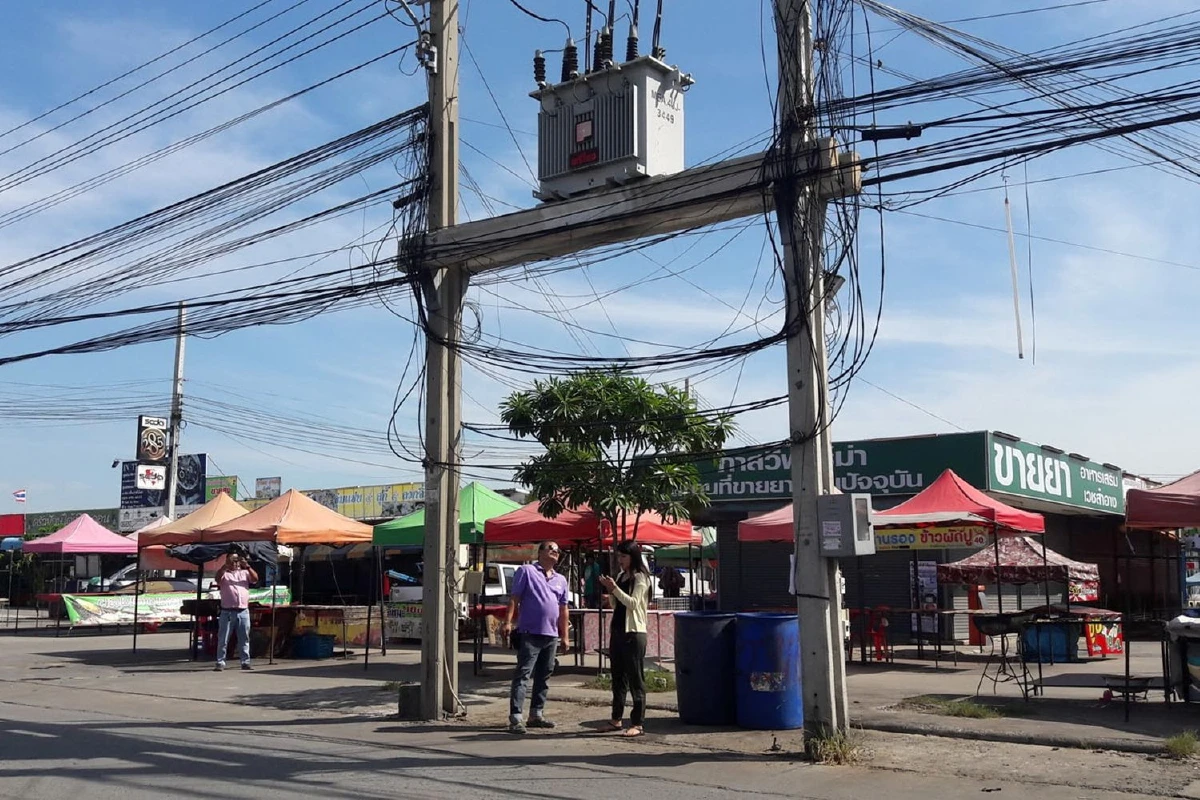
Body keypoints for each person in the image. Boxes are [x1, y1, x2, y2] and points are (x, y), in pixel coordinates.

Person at [503, 540, 570, 734]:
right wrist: (508, 622)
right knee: (523, 674)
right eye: (551, 548)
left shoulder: (561, 579)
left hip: (551, 635)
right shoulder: (527, 572)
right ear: (539, 552)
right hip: (530, 632)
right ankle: (516, 717)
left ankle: (536, 714)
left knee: (544, 675)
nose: (555, 552)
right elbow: (515, 598)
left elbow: (563, 609)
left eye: (558, 550)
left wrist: (564, 636)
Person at [598, 540, 651, 737]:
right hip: (618, 631)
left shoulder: (640, 578)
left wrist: (615, 590)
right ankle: (616, 719)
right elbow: (617, 604)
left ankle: (638, 723)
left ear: (633, 556)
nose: (620, 560)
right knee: (618, 678)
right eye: (618, 556)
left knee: (636, 678)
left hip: (634, 633)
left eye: (623, 556)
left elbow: (633, 603)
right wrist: (610, 593)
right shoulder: (621, 576)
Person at [214, 546, 258, 672]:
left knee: (244, 638)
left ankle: (245, 661)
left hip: (243, 611)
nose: (235, 563)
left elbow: (255, 579)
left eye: (236, 560)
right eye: (232, 560)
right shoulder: (224, 574)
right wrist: (225, 566)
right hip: (227, 611)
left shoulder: (244, 573)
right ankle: (220, 662)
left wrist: (247, 566)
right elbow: (217, 579)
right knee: (223, 638)